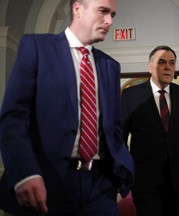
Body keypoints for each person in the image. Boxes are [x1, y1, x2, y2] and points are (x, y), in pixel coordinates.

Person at [0, 0, 134, 215]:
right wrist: (26, 173)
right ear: (78, 9)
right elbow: (13, 118)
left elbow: (113, 128)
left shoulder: (111, 66)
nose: (109, 21)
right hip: (47, 180)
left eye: (113, 15)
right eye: (103, 11)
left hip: (100, 185)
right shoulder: (36, 47)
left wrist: (120, 173)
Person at [121, 45, 179, 216]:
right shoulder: (130, 96)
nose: (168, 67)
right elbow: (120, 137)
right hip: (144, 177)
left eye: (172, 63)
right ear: (150, 67)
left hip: (176, 178)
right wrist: (121, 169)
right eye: (162, 62)